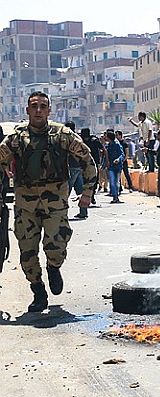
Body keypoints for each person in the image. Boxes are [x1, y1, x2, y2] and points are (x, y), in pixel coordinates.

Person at [0, 91, 97, 312]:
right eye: (34, 106)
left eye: (43, 106)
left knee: (56, 246)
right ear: (27, 110)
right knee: (27, 252)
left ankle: (54, 268)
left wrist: (88, 192)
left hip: (55, 203)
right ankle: (38, 291)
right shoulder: (16, 138)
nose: (38, 110)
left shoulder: (62, 135)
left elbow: (87, 160)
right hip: (26, 204)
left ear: (49, 110)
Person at [65, 122, 87, 220]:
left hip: (71, 167)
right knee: (80, 191)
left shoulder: (68, 138)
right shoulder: (78, 138)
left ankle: (62, 213)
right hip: (79, 167)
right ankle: (83, 212)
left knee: (65, 192)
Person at [80, 128, 103, 206]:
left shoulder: (94, 140)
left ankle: (91, 196)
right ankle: (88, 196)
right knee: (86, 181)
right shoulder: (81, 140)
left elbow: (103, 149)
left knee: (94, 180)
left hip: (93, 163)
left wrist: (104, 161)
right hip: (84, 163)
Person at [105, 130, 124, 204]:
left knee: (116, 182)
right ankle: (115, 196)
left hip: (118, 166)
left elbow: (122, 154)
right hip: (111, 167)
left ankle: (116, 196)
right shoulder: (108, 146)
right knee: (112, 182)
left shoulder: (117, 145)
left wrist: (118, 159)